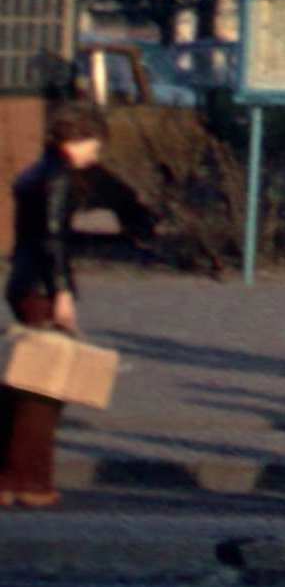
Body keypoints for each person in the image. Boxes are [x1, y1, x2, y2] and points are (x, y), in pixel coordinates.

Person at [7, 100, 162, 511]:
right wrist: (62, 294)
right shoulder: (58, 179)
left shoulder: (41, 170)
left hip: (25, 281)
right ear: (76, 140)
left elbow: (52, 231)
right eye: (94, 143)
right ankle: (28, 482)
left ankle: (14, 479)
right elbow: (53, 239)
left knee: (29, 387)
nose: (98, 152)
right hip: (41, 287)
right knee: (43, 393)